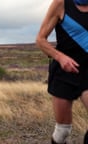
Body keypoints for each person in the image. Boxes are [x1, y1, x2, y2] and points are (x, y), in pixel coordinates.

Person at [36, 0, 88, 143]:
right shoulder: (61, 4)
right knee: (63, 131)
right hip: (64, 73)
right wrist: (60, 57)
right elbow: (40, 39)